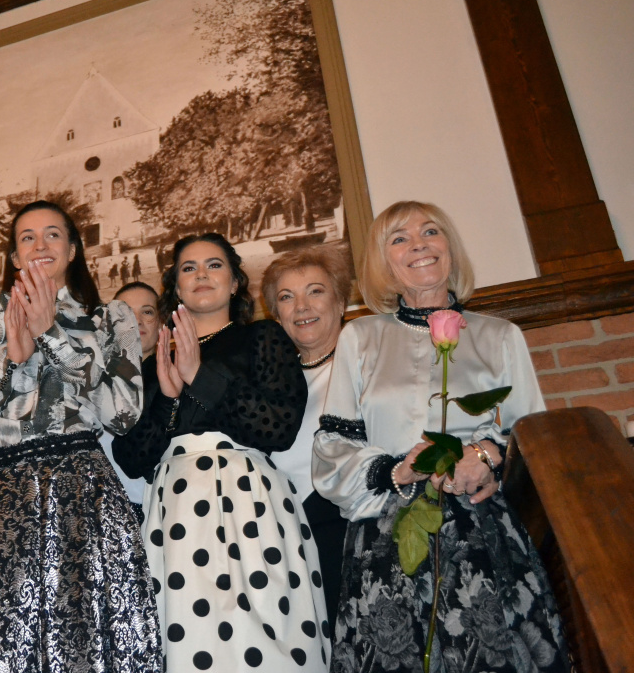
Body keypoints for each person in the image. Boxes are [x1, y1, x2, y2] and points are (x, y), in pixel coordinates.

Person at [313, 201, 568, 673]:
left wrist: (485, 456)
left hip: (481, 529)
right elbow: (332, 448)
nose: (419, 245)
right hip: (387, 533)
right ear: (383, 262)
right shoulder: (360, 337)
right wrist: (398, 470)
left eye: (430, 232)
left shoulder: (501, 336)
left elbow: (533, 435)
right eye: (399, 238)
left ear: (449, 247)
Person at [0, 201, 162, 672]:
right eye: (27, 237)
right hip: (4, 499)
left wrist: (52, 335)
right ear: (14, 257)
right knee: (11, 646)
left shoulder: (109, 319)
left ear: (73, 249)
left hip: (81, 492)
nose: (40, 245)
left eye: (52, 235)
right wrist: (9, 363)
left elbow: (123, 415)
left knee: (84, 643)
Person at [113, 233, 328, 672]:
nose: (201, 274)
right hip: (174, 511)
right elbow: (131, 458)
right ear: (176, 287)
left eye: (214, 265)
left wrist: (199, 376)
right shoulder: (153, 362)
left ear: (234, 283)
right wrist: (169, 397)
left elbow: (279, 426)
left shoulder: (262, 337)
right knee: (190, 638)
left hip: (249, 501)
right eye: (188, 268)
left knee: (265, 634)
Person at [261, 244, 352, 627]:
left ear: (341, 302)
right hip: (285, 544)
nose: (301, 307)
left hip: (349, 532)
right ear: (276, 315)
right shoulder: (267, 386)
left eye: (315, 291)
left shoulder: (366, 367)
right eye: (287, 297)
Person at [108, 281, 162, 521]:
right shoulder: (90, 384)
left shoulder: (180, 380)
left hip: (157, 511)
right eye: (125, 313)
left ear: (162, 324)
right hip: (95, 511)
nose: (137, 321)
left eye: (147, 312)